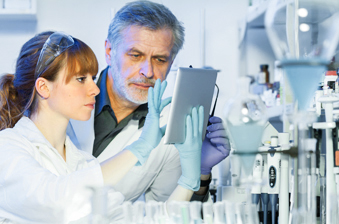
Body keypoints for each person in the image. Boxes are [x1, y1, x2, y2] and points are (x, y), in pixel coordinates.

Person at [0, 31, 204, 223]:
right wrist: (139, 149)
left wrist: (188, 181)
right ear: (44, 87)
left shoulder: (83, 163)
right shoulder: (8, 147)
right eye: (81, 79)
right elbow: (55, 202)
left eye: (93, 78)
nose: (95, 89)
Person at [68, 0, 231, 203]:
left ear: (172, 61)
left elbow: (168, 212)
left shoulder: (171, 126)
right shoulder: (64, 99)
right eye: (135, 55)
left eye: (160, 59)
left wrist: (201, 171)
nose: (148, 71)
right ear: (109, 52)